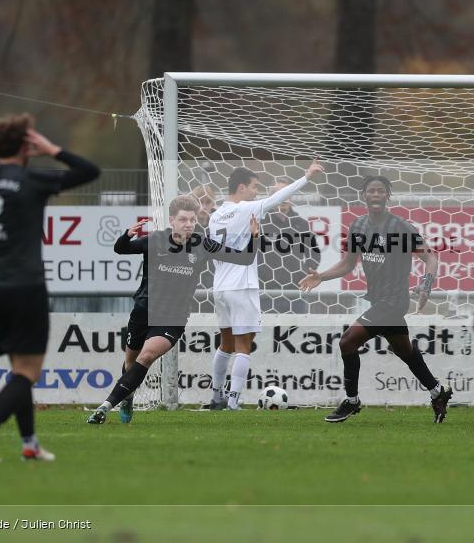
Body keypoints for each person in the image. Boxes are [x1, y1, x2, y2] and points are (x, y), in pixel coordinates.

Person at [0, 114, 100, 462]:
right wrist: (53, 149)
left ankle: (29, 443)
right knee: (28, 372)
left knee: (19, 369)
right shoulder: (33, 179)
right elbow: (89, 171)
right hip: (26, 285)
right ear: (27, 147)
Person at [87, 196, 259, 424]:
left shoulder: (203, 244)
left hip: (173, 318)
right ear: (172, 220)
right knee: (130, 363)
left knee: (147, 356)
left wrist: (254, 237)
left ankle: (104, 407)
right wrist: (127, 235)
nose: (189, 224)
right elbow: (121, 249)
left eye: (192, 220)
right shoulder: (156, 240)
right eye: (183, 219)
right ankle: (127, 397)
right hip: (144, 311)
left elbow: (244, 259)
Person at [299, 175, 453, 423]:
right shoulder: (358, 226)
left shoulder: (400, 227)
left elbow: (430, 257)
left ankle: (352, 401)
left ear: (387, 196)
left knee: (347, 342)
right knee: (405, 351)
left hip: (394, 301)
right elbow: (348, 264)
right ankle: (438, 392)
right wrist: (321, 276)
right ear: (364, 195)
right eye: (371, 191)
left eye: (381, 191)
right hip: (378, 300)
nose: (376, 195)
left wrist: (426, 284)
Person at [207, 160, 323, 410]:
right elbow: (278, 197)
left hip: (220, 287)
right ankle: (233, 402)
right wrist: (306, 177)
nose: (256, 192)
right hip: (242, 286)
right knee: (243, 345)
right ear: (241, 187)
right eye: (254, 187)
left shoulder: (215, 216)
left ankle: (216, 397)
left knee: (225, 344)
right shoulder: (246, 209)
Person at [259, 176, 322, 313]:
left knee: (295, 326)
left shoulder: (301, 224)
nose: (284, 197)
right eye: (279, 193)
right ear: (271, 196)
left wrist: (303, 273)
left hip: (294, 293)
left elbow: (314, 253)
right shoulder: (261, 223)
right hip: (265, 293)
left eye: (287, 193)